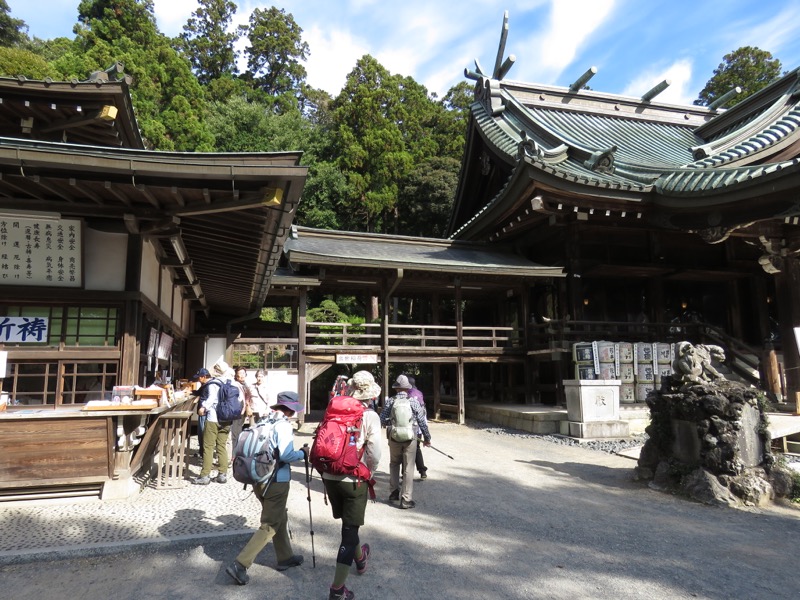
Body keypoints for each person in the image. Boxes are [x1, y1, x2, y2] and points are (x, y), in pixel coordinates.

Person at [225, 391, 306, 586]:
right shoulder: (284, 426)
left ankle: (285, 557)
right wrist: (302, 453)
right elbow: (286, 455)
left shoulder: (264, 421)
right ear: (290, 409)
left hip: (259, 480)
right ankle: (240, 565)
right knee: (270, 524)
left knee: (279, 517)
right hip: (276, 481)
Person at [322, 370, 382, 600]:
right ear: (370, 394)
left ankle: (360, 558)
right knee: (349, 532)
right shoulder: (369, 415)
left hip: (329, 475)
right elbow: (374, 451)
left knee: (350, 524)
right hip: (353, 478)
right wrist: (369, 472)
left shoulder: (334, 409)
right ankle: (337, 590)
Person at [380, 374, 431, 510]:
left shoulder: (390, 401)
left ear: (397, 388)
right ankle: (406, 499)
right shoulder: (413, 401)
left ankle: (393, 492)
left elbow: (382, 419)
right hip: (410, 438)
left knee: (394, 464)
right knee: (408, 467)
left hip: (394, 437)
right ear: (408, 388)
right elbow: (421, 421)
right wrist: (427, 438)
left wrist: (392, 424)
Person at [192, 359, 234, 485]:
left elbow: (211, 399)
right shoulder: (230, 382)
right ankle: (222, 474)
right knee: (221, 446)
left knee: (208, 446)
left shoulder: (213, 383)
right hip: (227, 419)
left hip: (214, 418)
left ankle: (205, 475)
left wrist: (203, 407)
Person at [406, 375, 428, 480]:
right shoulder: (419, 393)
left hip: (408, 426)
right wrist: (426, 435)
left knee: (405, 449)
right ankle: (422, 470)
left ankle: (404, 474)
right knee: (417, 448)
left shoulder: (407, 394)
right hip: (418, 427)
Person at [191, 368, 212, 459]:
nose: (198, 379)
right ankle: (202, 452)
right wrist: (190, 391)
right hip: (204, 412)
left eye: (199, 377)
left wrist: (204, 408)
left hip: (205, 412)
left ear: (204, 377)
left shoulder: (209, 385)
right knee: (201, 433)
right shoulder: (205, 385)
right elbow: (198, 392)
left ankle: (204, 454)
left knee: (203, 433)